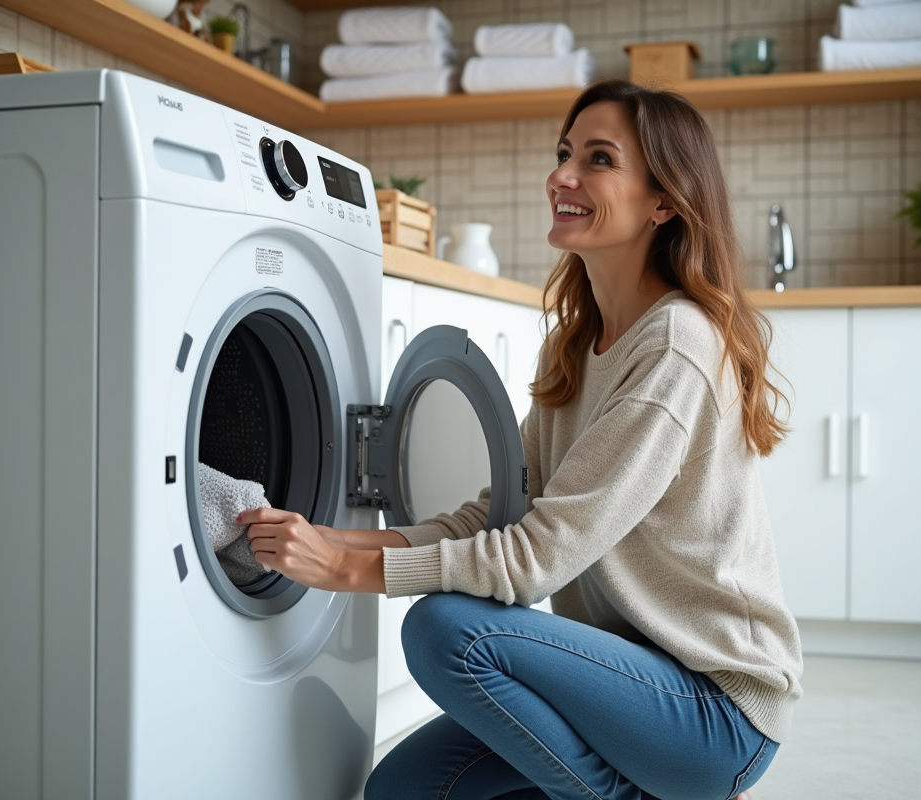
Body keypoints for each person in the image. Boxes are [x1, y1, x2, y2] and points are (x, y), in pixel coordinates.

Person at [238, 79, 803, 800]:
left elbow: (535, 560)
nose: (562, 177)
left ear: (663, 202)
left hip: (712, 712)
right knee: (401, 793)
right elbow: (499, 515)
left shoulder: (675, 344)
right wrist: (330, 539)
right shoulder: (576, 345)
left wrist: (346, 572)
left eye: (599, 159)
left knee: (446, 629)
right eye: (565, 154)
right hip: (619, 682)